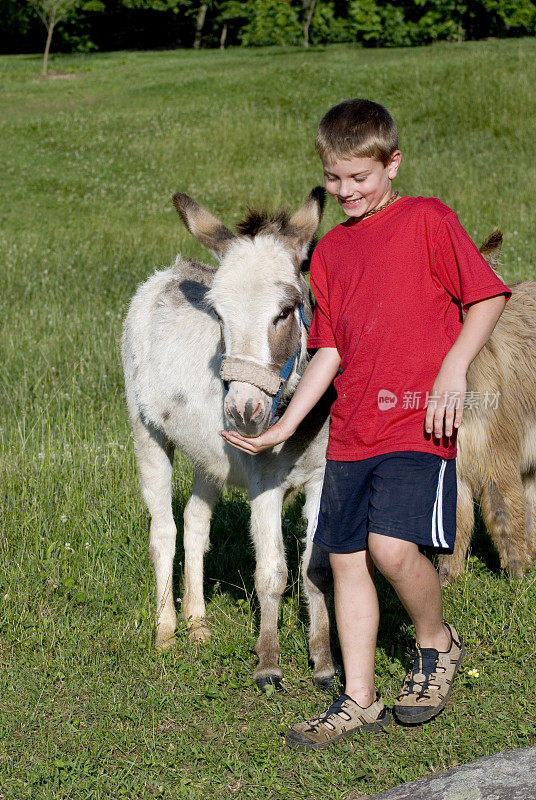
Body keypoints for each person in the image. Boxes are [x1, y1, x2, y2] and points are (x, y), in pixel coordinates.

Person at [220, 99, 511, 750]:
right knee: (345, 559)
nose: (346, 192)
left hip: (418, 419)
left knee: (390, 549)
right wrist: (282, 426)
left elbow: (486, 296)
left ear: (392, 164)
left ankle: (436, 642)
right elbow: (327, 350)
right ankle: (359, 699)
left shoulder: (428, 220)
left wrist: (455, 368)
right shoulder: (329, 256)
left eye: (360, 177)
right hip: (351, 429)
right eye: (334, 179)